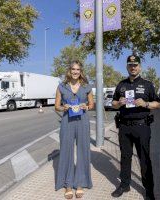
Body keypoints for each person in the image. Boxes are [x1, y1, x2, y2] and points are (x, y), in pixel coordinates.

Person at [111, 55, 160, 200]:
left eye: (135, 65)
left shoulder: (147, 84)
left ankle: (149, 190)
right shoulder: (121, 85)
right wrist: (119, 103)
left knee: (144, 159)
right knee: (125, 157)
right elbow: (113, 103)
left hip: (142, 127)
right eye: (130, 65)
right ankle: (124, 184)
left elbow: (158, 104)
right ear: (127, 67)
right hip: (124, 127)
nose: (133, 67)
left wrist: (145, 104)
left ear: (139, 67)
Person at [55, 60, 94, 199]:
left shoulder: (87, 87)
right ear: (69, 71)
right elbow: (56, 106)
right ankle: (68, 184)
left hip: (82, 121)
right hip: (67, 121)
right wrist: (63, 107)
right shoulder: (61, 87)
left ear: (80, 71)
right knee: (66, 151)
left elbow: (92, 104)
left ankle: (80, 183)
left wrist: (87, 107)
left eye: (77, 69)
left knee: (83, 150)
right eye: (73, 69)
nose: (75, 72)